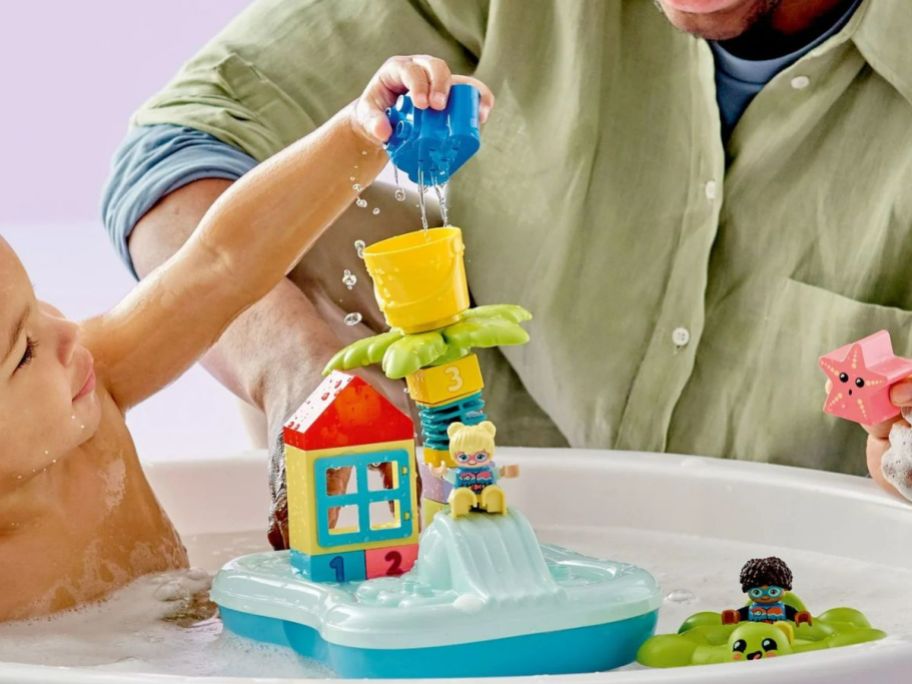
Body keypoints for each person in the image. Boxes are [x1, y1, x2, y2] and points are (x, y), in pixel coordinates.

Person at [102, 0, 912, 548]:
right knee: (315, 185)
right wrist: (294, 368)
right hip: (452, 554)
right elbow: (178, 150)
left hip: (799, 600)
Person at [0, 56, 491, 621]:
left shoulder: (94, 384)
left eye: (38, 305)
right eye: (25, 352)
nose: (65, 331)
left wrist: (360, 135)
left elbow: (220, 263)